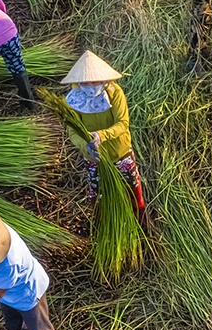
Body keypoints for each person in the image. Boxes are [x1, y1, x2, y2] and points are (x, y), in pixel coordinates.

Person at [57, 50, 150, 232]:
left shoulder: (115, 94)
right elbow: (73, 132)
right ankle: (101, 226)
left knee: (133, 190)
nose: (91, 85)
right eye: (86, 81)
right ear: (79, 82)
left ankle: (142, 224)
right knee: (98, 194)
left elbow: (123, 124)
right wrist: (86, 146)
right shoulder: (73, 100)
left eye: (95, 80)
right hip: (94, 158)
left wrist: (101, 135)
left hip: (119, 153)